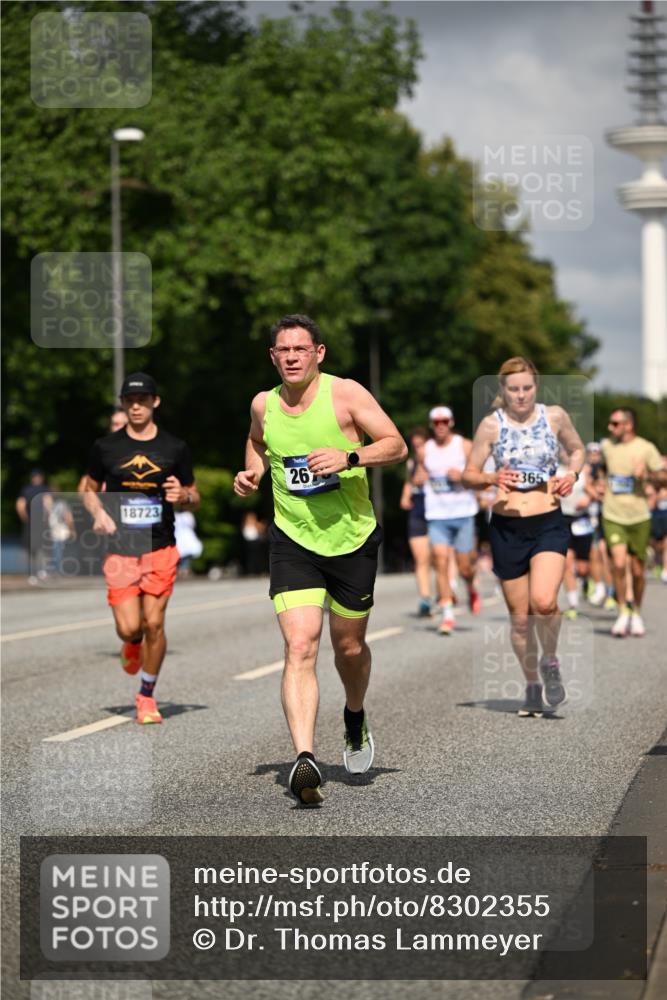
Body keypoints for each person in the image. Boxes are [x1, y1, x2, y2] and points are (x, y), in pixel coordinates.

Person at [233, 314, 407, 805]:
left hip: (352, 540)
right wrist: (251, 473)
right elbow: (257, 444)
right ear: (273, 357)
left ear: (318, 354)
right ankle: (305, 757)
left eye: (300, 350)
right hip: (293, 541)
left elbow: (396, 445)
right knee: (300, 645)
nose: (291, 357)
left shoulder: (346, 394)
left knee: (348, 648)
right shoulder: (263, 404)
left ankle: (354, 715)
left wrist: (349, 457)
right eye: (282, 351)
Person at [463, 357, 584, 718]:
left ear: (536, 387)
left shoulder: (555, 416)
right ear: (502, 390)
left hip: (548, 520)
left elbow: (577, 450)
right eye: (513, 389)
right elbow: (468, 473)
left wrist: (572, 475)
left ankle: (550, 660)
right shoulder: (490, 425)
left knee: (544, 602)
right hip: (506, 526)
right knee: (519, 618)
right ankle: (532, 684)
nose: (520, 395)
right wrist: (491, 478)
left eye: (527, 388)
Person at [79, 372, 199, 724]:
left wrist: (185, 496)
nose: (136, 406)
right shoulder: (105, 447)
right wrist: (98, 512)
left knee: (154, 623)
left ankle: (146, 695)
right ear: (123, 404)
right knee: (130, 629)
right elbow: (88, 488)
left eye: (143, 400)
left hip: (160, 547)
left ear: (154, 402)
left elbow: (194, 496)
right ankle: (131, 645)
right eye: (130, 401)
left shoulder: (175, 448)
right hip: (120, 550)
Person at [600, 408, 666, 637]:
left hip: (639, 516)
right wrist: (598, 485)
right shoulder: (607, 446)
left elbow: (663, 477)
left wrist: (645, 475)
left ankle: (636, 610)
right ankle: (622, 611)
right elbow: (601, 471)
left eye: (615, 423)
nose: (610, 427)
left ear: (629, 425)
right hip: (612, 514)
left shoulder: (646, 448)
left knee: (638, 570)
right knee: (618, 564)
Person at [423, 406, 481, 634]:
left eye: (444, 421)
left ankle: (470, 585)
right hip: (437, 514)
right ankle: (447, 616)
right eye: (436, 422)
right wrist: (418, 478)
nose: (440, 425)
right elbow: (418, 475)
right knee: (440, 561)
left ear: (451, 422)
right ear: (431, 424)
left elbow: (478, 475)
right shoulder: (425, 450)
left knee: (465, 566)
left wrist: (463, 476)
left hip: (463, 512)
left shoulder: (464, 445)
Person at [399, 427, 433, 616]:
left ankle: (449, 588)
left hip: (438, 509)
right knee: (421, 558)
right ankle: (425, 598)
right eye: (416, 444)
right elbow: (409, 483)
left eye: (422, 444)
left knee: (439, 556)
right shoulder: (411, 463)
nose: (418, 447)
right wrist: (405, 495)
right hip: (418, 509)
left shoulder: (438, 461)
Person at [16, 469, 51, 584]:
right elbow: (48, 505)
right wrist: (47, 519)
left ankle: (34, 574)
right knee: (41, 547)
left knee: (32, 549)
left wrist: (26, 519)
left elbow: (20, 505)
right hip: (39, 522)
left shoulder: (26, 490)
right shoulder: (44, 489)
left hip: (31, 523)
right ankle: (40, 572)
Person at [174, 509, 203, 576]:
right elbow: (193, 525)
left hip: (181, 538)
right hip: (183, 538)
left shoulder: (178, 515)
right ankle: (183, 570)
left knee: (184, 557)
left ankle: (183, 570)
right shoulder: (188, 515)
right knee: (184, 557)